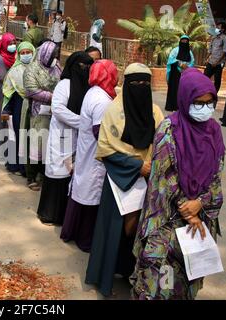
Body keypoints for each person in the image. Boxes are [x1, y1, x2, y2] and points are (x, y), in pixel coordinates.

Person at [131, 68, 225, 300]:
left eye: (209, 103)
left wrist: (200, 203)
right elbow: (164, 178)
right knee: (162, 285)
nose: (205, 108)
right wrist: (188, 208)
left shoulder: (214, 131)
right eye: (198, 102)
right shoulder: (169, 129)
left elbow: (216, 174)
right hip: (167, 224)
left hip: (197, 223)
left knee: (185, 283)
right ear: (185, 100)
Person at [85, 63, 165, 297]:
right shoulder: (114, 111)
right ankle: (106, 277)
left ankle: (135, 276)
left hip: (149, 178)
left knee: (140, 230)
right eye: (135, 83)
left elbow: (164, 143)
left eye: (145, 83)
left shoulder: (155, 112)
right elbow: (105, 148)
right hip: (119, 181)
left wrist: (151, 166)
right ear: (126, 84)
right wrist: (137, 165)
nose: (140, 87)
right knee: (114, 230)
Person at [61, 59, 118, 251]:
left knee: (81, 190)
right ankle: (86, 240)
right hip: (95, 153)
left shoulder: (94, 92)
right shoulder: (101, 99)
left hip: (88, 150)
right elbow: (99, 131)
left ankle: (73, 232)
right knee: (90, 195)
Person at [37, 52, 95, 225]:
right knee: (57, 173)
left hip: (78, 138)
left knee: (72, 174)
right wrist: (82, 122)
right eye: (82, 66)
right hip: (62, 134)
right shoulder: (65, 84)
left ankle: (66, 217)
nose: (85, 70)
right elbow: (58, 109)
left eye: (88, 67)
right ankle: (49, 213)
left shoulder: (88, 87)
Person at [23, 41, 62, 191]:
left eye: (55, 55)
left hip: (53, 112)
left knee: (48, 143)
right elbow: (31, 90)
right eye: (52, 55)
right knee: (35, 143)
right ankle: (31, 176)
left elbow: (62, 81)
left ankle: (43, 173)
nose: (54, 57)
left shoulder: (56, 66)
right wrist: (53, 96)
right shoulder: (32, 69)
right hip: (37, 112)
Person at [2, 41, 37, 175]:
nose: (26, 55)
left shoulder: (38, 70)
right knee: (17, 135)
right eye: (23, 53)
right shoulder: (14, 71)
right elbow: (8, 93)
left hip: (35, 107)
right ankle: (16, 165)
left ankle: (30, 170)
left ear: (33, 53)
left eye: (28, 52)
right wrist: (6, 110)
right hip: (18, 106)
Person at [0, 33, 17, 160]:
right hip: (1, 92)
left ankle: (9, 153)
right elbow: (4, 77)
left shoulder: (15, 57)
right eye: (9, 44)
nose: (12, 46)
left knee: (10, 123)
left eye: (14, 43)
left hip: (13, 92)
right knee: (0, 120)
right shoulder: (0, 59)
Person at [165, 35, 195, 111]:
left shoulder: (190, 52)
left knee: (183, 90)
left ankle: (181, 106)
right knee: (174, 89)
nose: (184, 42)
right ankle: (171, 106)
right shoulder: (175, 50)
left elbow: (192, 62)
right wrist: (180, 64)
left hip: (185, 73)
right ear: (180, 41)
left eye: (186, 41)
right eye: (183, 40)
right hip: (175, 73)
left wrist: (187, 67)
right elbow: (170, 60)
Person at [204, 22, 226, 93]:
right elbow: (210, 50)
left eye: (219, 27)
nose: (217, 29)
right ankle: (203, 91)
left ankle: (215, 93)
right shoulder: (214, 37)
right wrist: (206, 58)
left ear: (223, 29)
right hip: (211, 61)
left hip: (219, 63)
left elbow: (224, 52)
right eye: (217, 27)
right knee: (205, 77)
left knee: (217, 79)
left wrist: (217, 62)